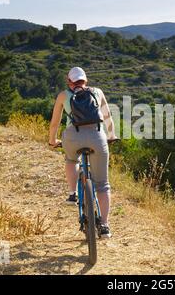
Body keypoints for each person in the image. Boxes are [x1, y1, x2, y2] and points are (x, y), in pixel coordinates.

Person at [49, 67, 117, 238]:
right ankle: (104, 226)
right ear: (85, 80)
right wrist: (111, 136)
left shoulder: (63, 95)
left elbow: (54, 123)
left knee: (71, 160)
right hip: (97, 136)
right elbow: (108, 117)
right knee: (102, 184)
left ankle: (73, 194)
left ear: (69, 81)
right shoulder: (97, 92)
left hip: (73, 137)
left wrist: (53, 140)